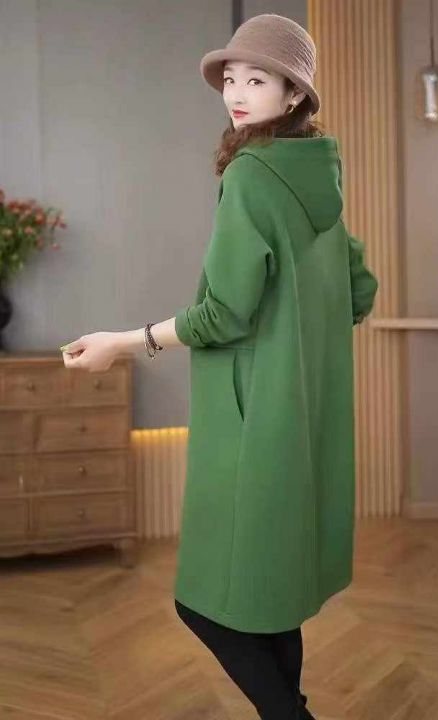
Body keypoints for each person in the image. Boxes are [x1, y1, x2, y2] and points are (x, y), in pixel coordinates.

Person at [60, 12, 379, 720]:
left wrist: (123, 341)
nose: (236, 92)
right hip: (304, 422)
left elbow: (223, 315)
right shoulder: (320, 174)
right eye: (231, 78)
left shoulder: (251, 177)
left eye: (257, 80)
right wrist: (300, 337)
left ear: (294, 94)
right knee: (274, 598)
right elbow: (360, 292)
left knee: (202, 605)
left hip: (250, 424)